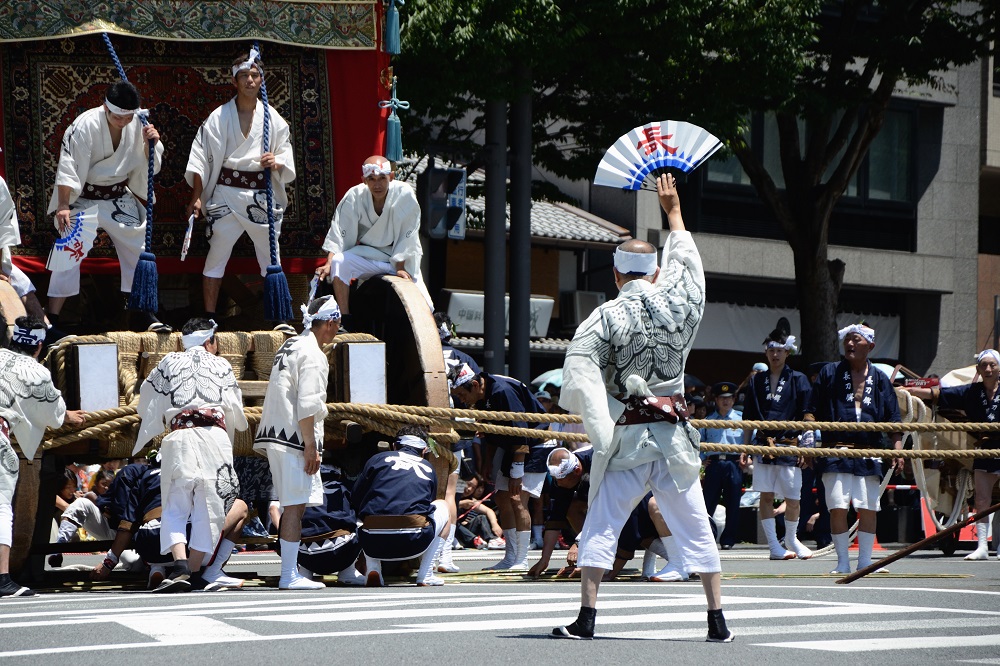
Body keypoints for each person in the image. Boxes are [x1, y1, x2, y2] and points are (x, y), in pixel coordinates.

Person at [551, 173, 732, 642]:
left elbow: (578, 370)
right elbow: (689, 267)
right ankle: (717, 621)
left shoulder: (605, 315)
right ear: (654, 271)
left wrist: (601, 423)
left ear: (615, 274)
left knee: (602, 523)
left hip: (629, 436)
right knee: (695, 523)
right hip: (672, 438)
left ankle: (586, 619)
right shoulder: (681, 301)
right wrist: (672, 212)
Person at [135, 317, 249, 592]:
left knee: (175, 504)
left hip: (179, 437)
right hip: (213, 437)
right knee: (210, 507)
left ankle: (182, 565)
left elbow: (145, 397)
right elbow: (236, 410)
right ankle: (196, 570)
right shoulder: (221, 364)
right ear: (209, 340)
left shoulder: (168, 361)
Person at [185, 51, 295, 321]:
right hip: (225, 192)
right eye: (244, 75)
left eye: (254, 75)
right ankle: (210, 316)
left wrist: (277, 162)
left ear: (261, 80)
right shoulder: (219, 117)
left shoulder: (273, 120)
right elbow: (201, 158)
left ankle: (279, 319)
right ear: (234, 80)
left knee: (271, 258)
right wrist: (197, 196)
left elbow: (286, 152)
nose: (249, 80)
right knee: (216, 255)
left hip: (259, 194)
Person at [45, 81, 165, 330]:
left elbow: (152, 163)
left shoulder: (139, 124)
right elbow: (67, 165)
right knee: (69, 247)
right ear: (105, 108)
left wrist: (148, 144)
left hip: (117, 197)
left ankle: (142, 311)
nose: (123, 122)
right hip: (83, 198)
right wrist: (64, 205)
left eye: (127, 117)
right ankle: (53, 318)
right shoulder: (85, 125)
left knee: (139, 246)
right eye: (117, 116)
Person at [254, 295, 341, 590]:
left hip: (274, 434)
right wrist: (310, 446)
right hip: (292, 438)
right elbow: (308, 404)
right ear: (329, 323)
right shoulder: (314, 354)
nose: (338, 328)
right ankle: (289, 574)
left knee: (292, 504)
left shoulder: (290, 344)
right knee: (294, 506)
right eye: (338, 323)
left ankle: (292, 570)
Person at [805, 324, 902, 574]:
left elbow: (893, 417)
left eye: (855, 340)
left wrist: (897, 448)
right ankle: (842, 562)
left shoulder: (879, 378)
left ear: (869, 346)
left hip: (869, 449)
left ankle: (865, 561)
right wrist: (807, 441)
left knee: (868, 506)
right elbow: (810, 410)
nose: (849, 344)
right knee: (837, 506)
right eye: (847, 339)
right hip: (836, 448)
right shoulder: (830, 373)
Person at [0, 316, 86, 597]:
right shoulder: (34, 371)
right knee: (1, 509)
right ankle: (2, 579)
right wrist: (67, 417)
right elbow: (53, 413)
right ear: (39, 346)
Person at [530, 448, 686, 583]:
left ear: (577, 471)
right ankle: (601, 558)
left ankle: (681, 562)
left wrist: (610, 571)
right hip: (635, 499)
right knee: (573, 505)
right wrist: (544, 560)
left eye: (561, 480)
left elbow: (627, 515)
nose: (558, 484)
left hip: (655, 499)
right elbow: (557, 515)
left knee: (648, 508)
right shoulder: (569, 472)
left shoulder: (603, 464)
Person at [449, 362, 550, 571]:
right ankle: (510, 556)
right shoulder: (481, 397)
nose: (461, 399)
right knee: (502, 498)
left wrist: (517, 473)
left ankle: (522, 559)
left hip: (533, 443)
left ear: (475, 385)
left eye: (461, 394)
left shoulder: (503, 391)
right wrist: (487, 462)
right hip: (510, 446)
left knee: (517, 498)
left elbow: (521, 432)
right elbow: (490, 432)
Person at [902, 349, 1000, 561]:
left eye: (993, 365)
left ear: (999, 368)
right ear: (978, 370)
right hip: (984, 447)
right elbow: (939, 395)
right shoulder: (972, 392)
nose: (989, 369)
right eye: (984, 365)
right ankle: (982, 546)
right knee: (982, 500)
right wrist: (908, 391)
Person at [316, 156, 432, 321]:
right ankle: (344, 319)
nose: (377, 184)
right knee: (339, 262)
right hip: (369, 255)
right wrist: (329, 263)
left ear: (391, 177)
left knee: (426, 306)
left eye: (382, 179)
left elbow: (409, 232)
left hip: (400, 261)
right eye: (371, 179)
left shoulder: (404, 194)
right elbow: (339, 232)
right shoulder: (354, 195)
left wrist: (400, 266)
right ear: (364, 180)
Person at [742, 328, 815, 560]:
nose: (775, 355)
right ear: (766, 353)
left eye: (779, 351)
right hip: (763, 444)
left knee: (794, 498)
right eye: (771, 350)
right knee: (765, 495)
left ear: (787, 353)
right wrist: (744, 448)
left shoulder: (798, 379)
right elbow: (748, 418)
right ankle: (774, 545)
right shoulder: (757, 381)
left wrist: (808, 447)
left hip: (790, 443)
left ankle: (792, 538)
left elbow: (808, 414)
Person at [351, 426, 451, 587]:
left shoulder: (377, 459)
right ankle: (426, 574)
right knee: (443, 505)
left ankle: (372, 568)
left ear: (394, 446)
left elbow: (355, 497)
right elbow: (428, 507)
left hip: (372, 542)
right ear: (424, 450)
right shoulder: (428, 467)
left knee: (361, 510)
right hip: (414, 541)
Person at [272, 464, 365, 585]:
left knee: (292, 520)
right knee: (363, 523)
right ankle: (348, 571)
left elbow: (274, 513)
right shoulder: (344, 487)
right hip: (342, 554)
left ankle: (304, 571)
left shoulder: (296, 490)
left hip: (304, 556)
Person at [699, 381, 748, 550]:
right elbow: (700, 442)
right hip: (714, 464)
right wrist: (702, 460)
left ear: (734, 400)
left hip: (733, 463)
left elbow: (750, 440)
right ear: (716, 400)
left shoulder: (741, 420)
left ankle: (728, 539)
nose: (725, 401)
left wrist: (746, 456)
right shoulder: (708, 420)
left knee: (733, 503)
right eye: (721, 398)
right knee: (708, 503)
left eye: (728, 398)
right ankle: (706, 538)